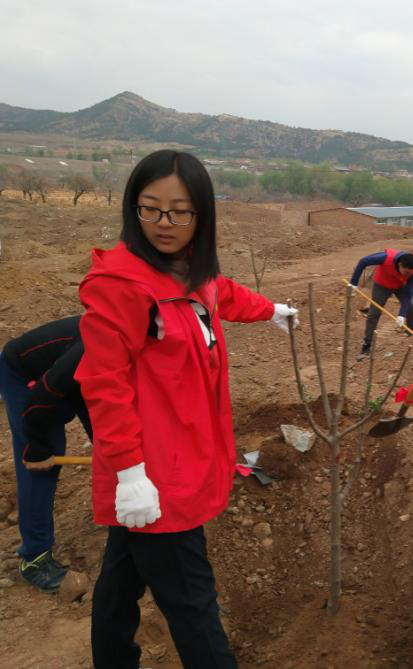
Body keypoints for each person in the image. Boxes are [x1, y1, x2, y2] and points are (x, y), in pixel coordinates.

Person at [75, 149, 298, 668]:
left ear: (202, 214)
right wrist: (130, 472)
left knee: (119, 584)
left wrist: (272, 311)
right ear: (133, 208)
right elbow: (102, 383)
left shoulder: (188, 272)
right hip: (156, 474)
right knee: (193, 603)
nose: (164, 223)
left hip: (185, 455)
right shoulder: (121, 288)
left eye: (180, 211)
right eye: (150, 209)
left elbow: (223, 293)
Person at [0, 316, 93, 593]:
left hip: (66, 378)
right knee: (41, 465)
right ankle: (34, 558)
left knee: (113, 447)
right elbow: (42, 400)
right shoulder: (95, 344)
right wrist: (38, 448)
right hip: (24, 375)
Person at [349, 249, 413, 358]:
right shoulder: (386, 258)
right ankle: (366, 345)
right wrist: (354, 282)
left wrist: (402, 314)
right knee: (373, 314)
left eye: (410, 273)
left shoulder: (412, 272)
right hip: (382, 285)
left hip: (399, 286)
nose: (408, 275)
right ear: (400, 265)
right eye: (406, 272)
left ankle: (412, 334)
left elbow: (407, 294)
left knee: (410, 306)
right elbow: (363, 261)